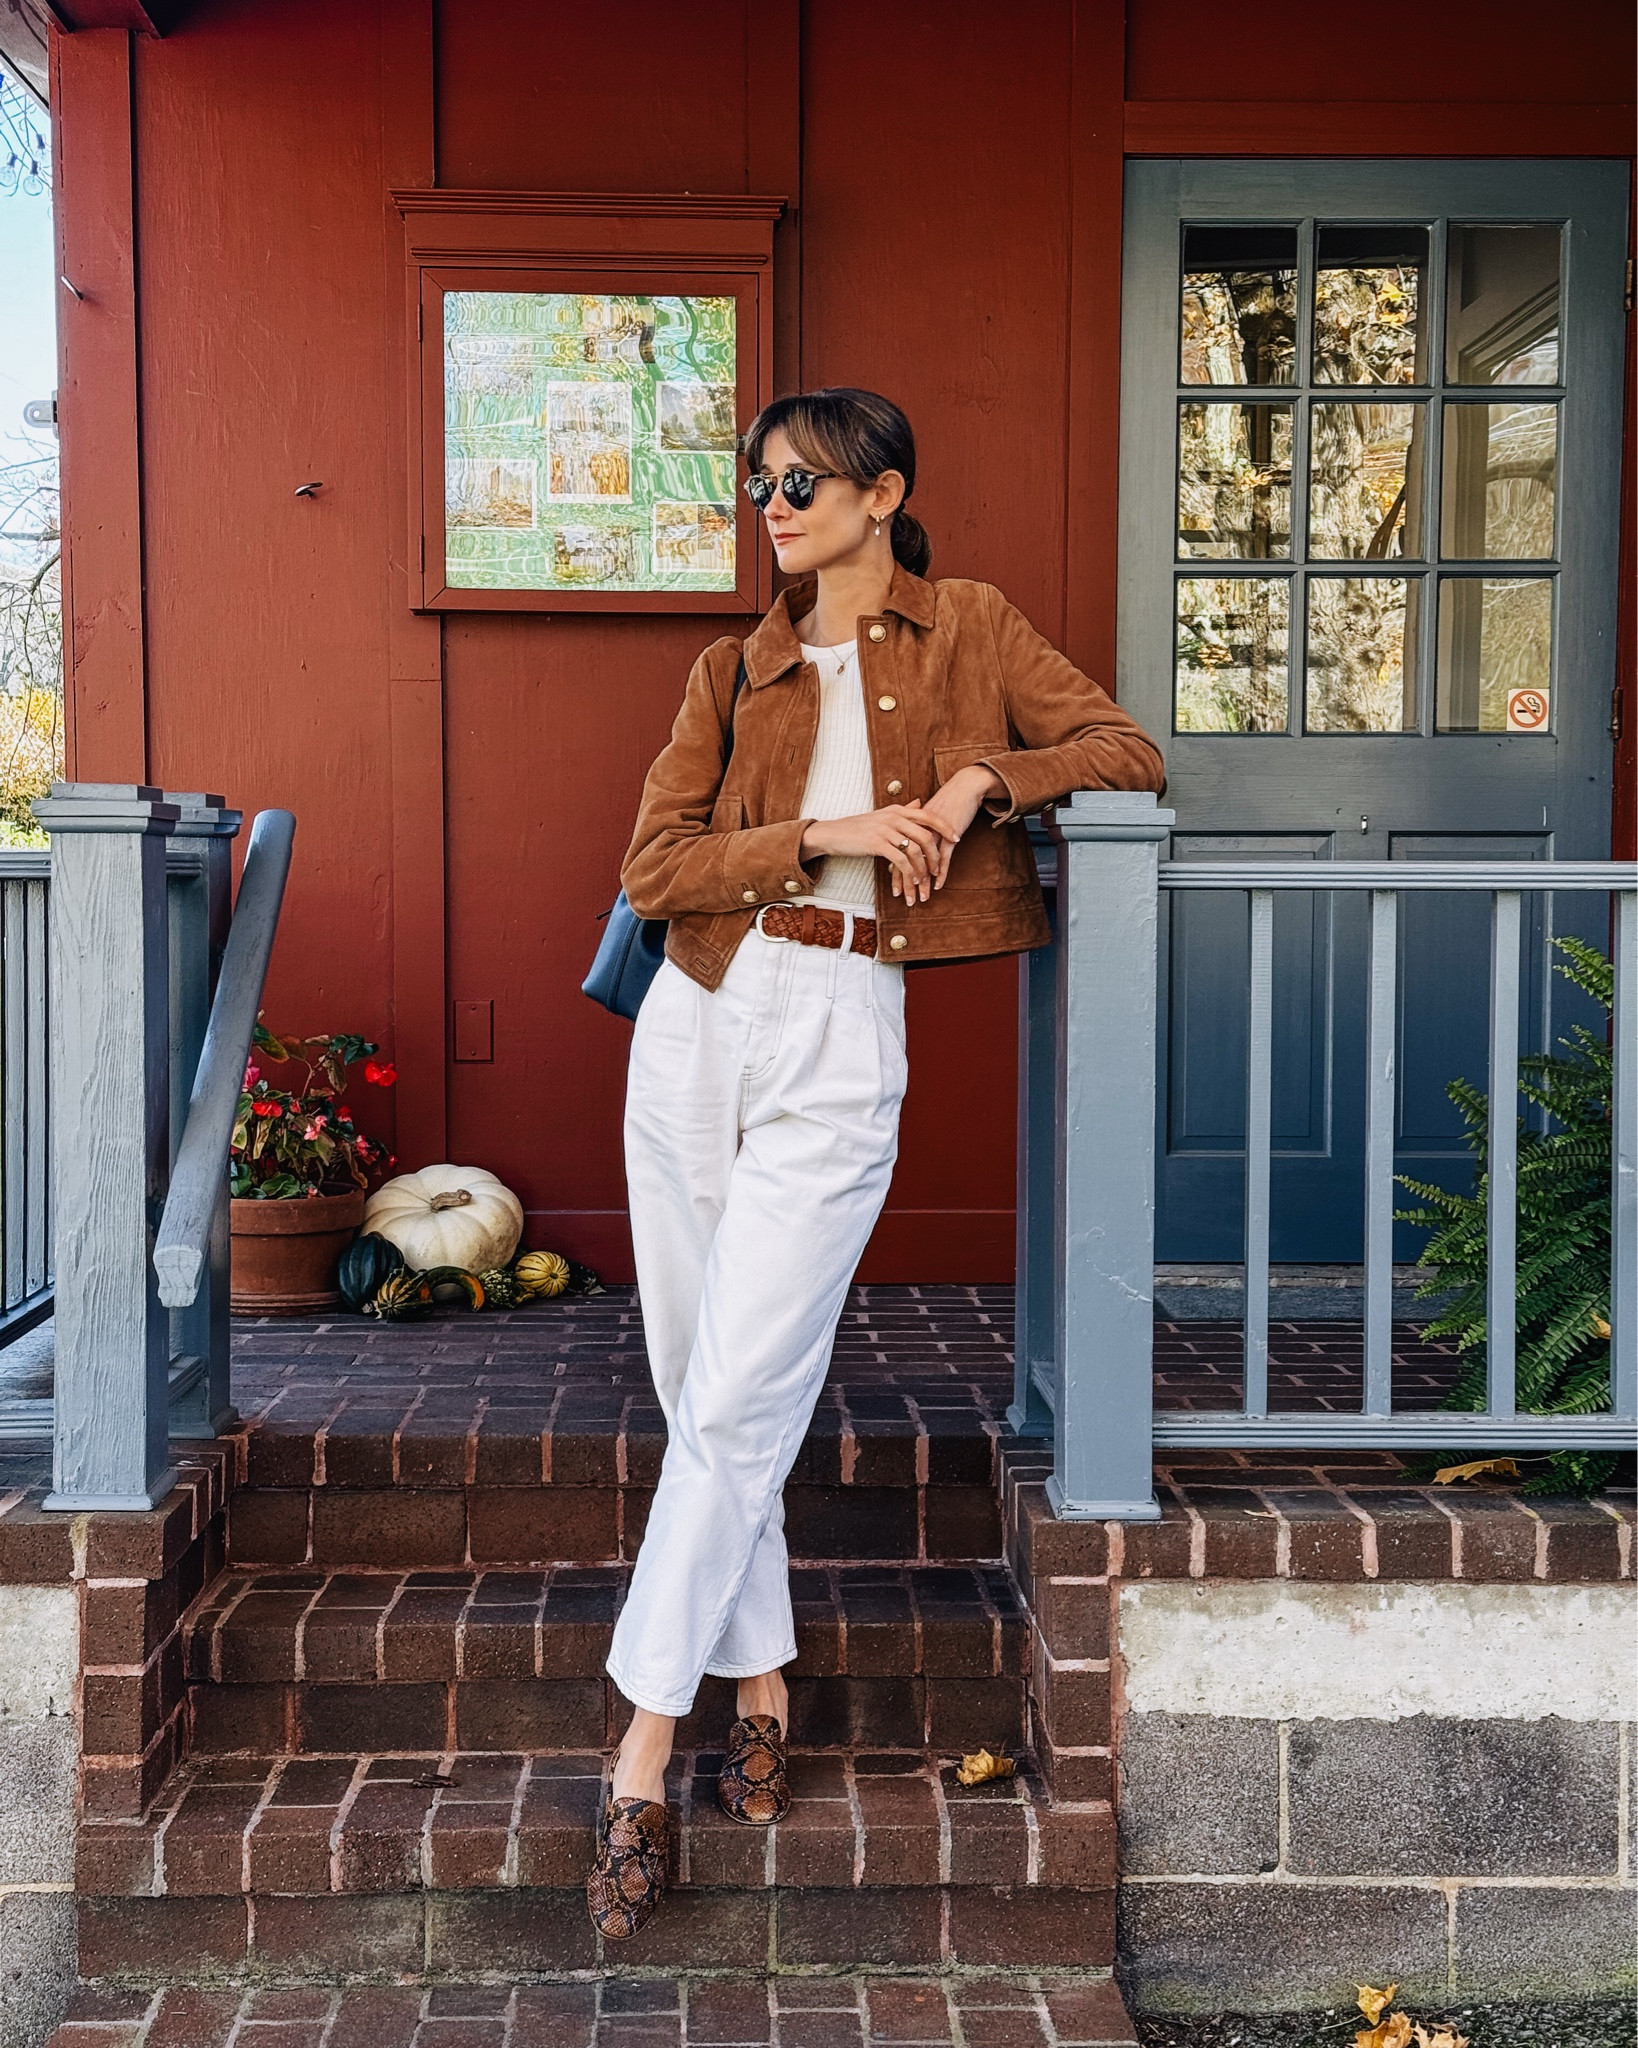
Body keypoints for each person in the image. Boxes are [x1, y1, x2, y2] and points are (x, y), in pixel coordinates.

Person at [586, 387, 1164, 1936]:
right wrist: (824, 826)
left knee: (747, 1378)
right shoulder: (733, 664)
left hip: (846, 1016)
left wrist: (973, 785)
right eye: (758, 481)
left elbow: (1123, 745)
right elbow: (653, 870)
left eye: (801, 480)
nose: (771, 502)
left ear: (879, 492)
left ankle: (640, 1754)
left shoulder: (966, 624)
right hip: (702, 1011)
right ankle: (760, 1676)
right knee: (703, 1372)